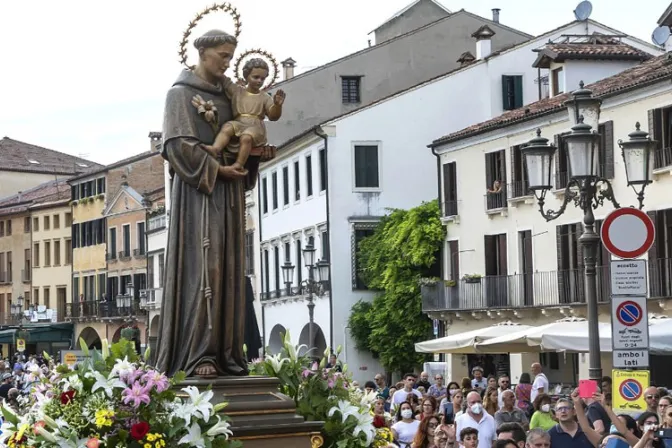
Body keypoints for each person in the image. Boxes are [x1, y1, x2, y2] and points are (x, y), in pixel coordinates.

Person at [155, 29, 276, 378]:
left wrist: (253, 156)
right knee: (205, 268)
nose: (227, 62)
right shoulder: (179, 95)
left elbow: (243, 131)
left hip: (229, 197)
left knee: (228, 270)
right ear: (203, 52)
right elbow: (177, 146)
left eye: (230, 55)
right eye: (222, 55)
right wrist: (217, 169)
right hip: (198, 196)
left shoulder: (231, 96)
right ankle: (197, 354)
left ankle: (227, 354)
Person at [205, 58, 285, 174]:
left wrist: (277, 106)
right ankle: (215, 149)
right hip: (239, 122)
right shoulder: (238, 91)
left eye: (262, 78)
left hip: (255, 127)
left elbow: (273, 116)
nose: (259, 81)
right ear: (246, 76)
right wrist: (211, 65)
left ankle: (239, 164)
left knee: (246, 137)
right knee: (227, 127)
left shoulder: (265, 97)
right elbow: (224, 80)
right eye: (256, 77)